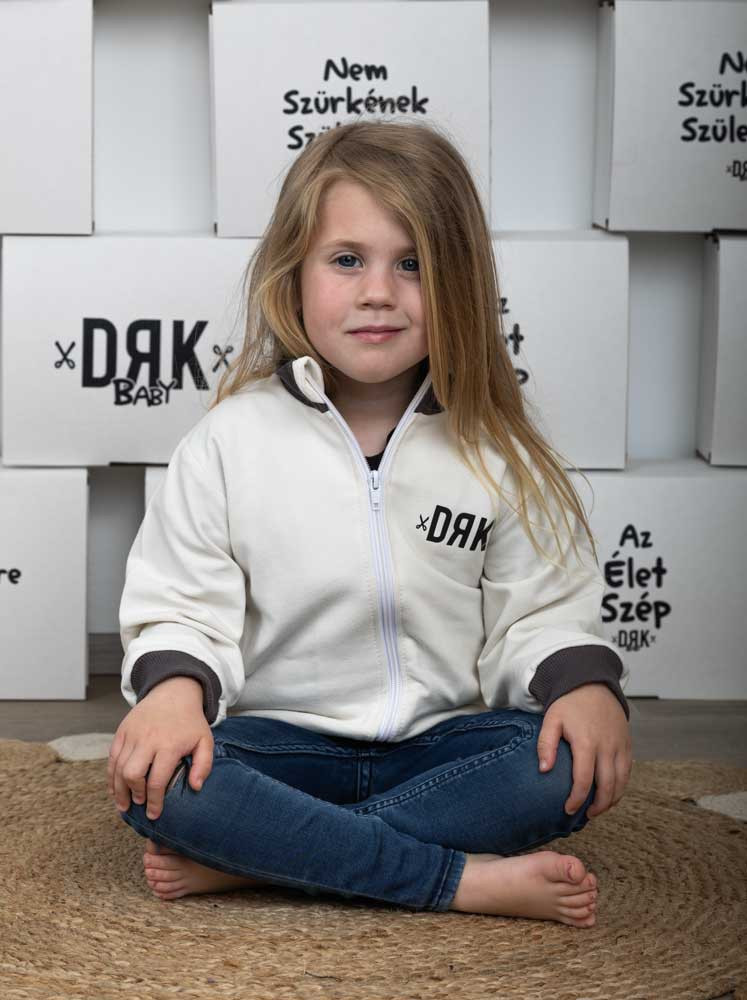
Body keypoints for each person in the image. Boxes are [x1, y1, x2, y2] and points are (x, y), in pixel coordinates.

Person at [109, 117, 632, 925]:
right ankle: (457, 880)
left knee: (562, 767)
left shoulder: (496, 449)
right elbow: (182, 606)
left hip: (446, 749)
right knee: (165, 781)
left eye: (412, 264)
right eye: (347, 260)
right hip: (282, 747)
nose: (378, 291)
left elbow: (542, 613)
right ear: (293, 273)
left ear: (459, 282)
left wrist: (585, 685)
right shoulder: (230, 440)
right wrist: (174, 695)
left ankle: (267, 858)